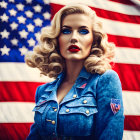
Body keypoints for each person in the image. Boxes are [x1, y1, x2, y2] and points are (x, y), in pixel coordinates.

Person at [25, 3, 124, 140]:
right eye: (66, 31)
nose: (74, 38)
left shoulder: (105, 80)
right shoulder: (43, 91)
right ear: (56, 38)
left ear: (94, 39)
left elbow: (110, 134)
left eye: (83, 31)